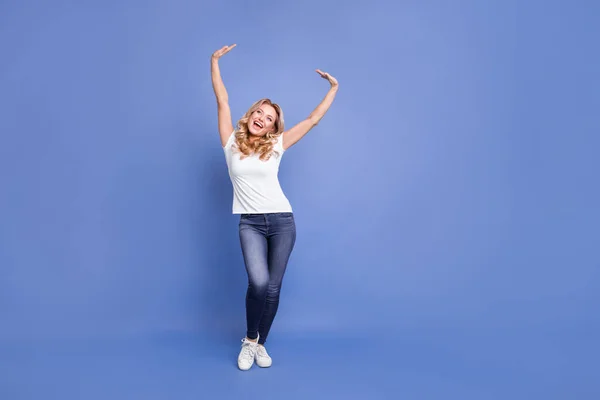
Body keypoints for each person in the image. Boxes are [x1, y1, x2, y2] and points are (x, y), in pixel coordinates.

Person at [210, 44, 339, 370]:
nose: (262, 119)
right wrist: (214, 62)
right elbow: (222, 100)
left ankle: (258, 344)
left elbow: (312, 119)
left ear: (271, 128)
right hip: (250, 223)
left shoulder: (277, 146)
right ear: (251, 115)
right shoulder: (229, 143)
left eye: (269, 119)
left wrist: (333, 88)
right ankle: (249, 338)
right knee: (258, 283)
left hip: (282, 221)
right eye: (259, 113)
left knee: (274, 287)